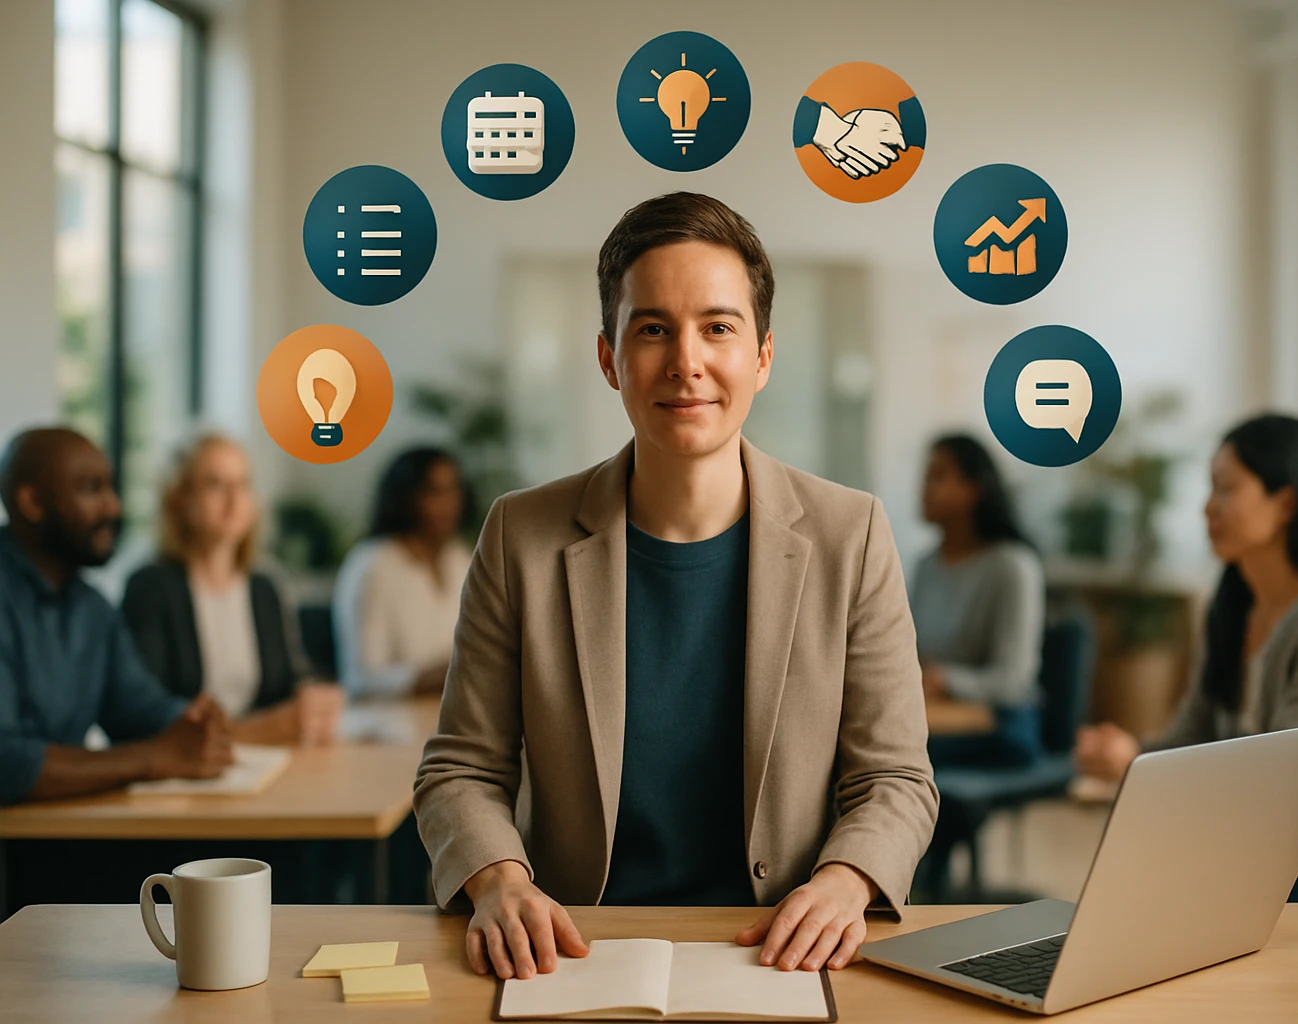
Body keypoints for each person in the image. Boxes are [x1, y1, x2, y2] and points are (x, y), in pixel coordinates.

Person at [414, 192, 937, 984]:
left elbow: (895, 778)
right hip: (571, 950)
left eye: (718, 328)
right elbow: (462, 769)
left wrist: (845, 880)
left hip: (780, 952)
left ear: (762, 356)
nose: (685, 361)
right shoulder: (521, 535)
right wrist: (499, 880)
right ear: (608, 357)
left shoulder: (850, 535)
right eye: (652, 328)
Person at [1074, 414, 1298, 902]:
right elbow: (1192, 734)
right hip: (1263, 848)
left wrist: (1138, 769)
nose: (1207, 508)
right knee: (1140, 865)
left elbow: (1286, 787)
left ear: (1287, 502)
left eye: (1226, 489)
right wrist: (1133, 756)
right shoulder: (1231, 606)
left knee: (1174, 886)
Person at [0, 427, 234, 806]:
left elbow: (138, 709)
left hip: (57, 835)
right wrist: (154, 757)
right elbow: (7, 762)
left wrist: (194, 721)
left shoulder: (92, 607)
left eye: (110, 487)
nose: (113, 507)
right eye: (91, 490)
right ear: (32, 502)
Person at [121, 434, 345, 745]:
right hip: (185, 769)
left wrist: (312, 693)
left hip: (262, 762)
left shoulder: (264, 586)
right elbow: (144, 712)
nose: (234, 499)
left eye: (243, 484)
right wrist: (261, 729)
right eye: (215, 484)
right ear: (180, 500)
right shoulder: (150, 587)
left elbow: (288, 676)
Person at [910, 433, 1045, 768]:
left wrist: (945, 680)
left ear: (975, 489)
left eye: (938, 476)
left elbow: (1014, 681)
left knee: (889, 761)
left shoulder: (1012, 566)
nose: (924, 488)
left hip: (1000, 727)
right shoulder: (926, 567)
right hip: (937, 718)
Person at [332, 447, 473, 698]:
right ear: (406, 497)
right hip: (388, 724)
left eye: (453, 490)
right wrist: (430, 677)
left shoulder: (461, 559)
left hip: (453, 716)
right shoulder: (373, 566)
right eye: (434, 492)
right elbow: (360, 679)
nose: (448, 503)